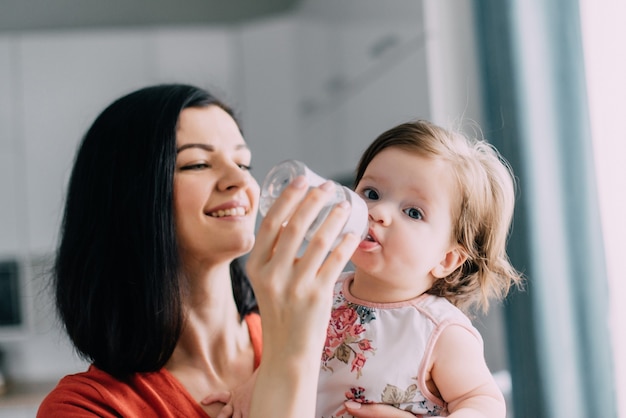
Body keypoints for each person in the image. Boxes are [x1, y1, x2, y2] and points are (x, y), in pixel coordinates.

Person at [36, 83, 369, 418]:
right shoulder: (86, 407)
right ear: (127, 198)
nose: (238, 181)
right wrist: (294, 355)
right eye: (197, 164)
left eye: (243, 163)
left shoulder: (332, 340)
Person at [316, 120, 524, 417]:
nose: (378, 212)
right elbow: (284, 359)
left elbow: (483, 403)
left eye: (413, 212)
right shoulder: (322, 290)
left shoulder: (440, 331)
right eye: (371, 193)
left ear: (446, 260)